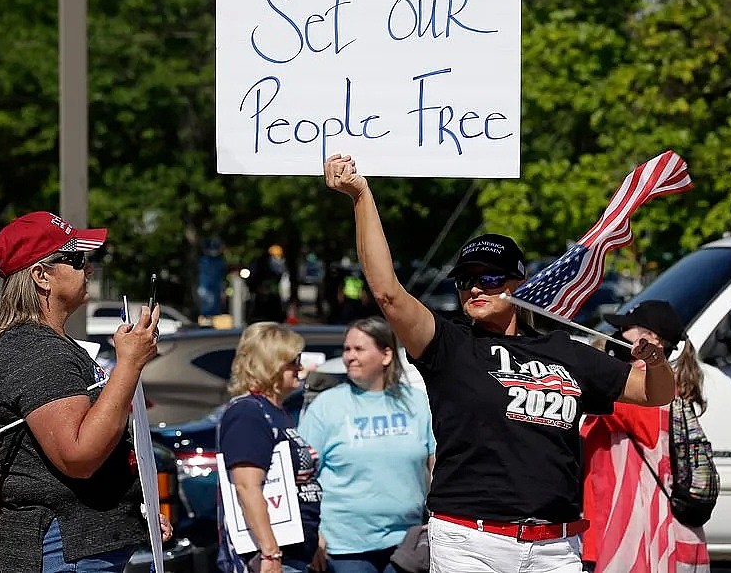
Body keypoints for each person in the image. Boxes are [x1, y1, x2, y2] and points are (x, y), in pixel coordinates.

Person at [324, 154, 676, 573]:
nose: (475, 287)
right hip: (469, 541)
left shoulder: (564, 350)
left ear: (518, 285)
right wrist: (362, 196)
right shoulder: (449, 346)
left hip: (555, 546)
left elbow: (656, 394)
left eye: (490, 278)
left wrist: (656, 364)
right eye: (466, 280)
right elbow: (388, 293)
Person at [0, 211, 171, 572]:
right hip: (60, 549)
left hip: (75, 546)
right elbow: (79, 456)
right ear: (41, 276)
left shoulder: (53, 346)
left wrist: (128, 514)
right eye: (77, 259)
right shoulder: (35, 350)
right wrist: (129, 364)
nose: (89, 270)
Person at [580, 300, 710, 572]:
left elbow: (592, 387)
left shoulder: (644, 391)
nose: (617, 335)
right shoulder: (663, 388)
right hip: (623, 530)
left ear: (651, 339)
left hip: (627, 538)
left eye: (627, 328)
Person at [298, 317, 435, 573]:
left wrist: (441, 519)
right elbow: (302, 477)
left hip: (408, 542)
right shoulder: (326, 406)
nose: (350, 357)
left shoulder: (417, 403)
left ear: (386, 355)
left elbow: (438, 465)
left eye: (359, 349)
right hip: (344, 546)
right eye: (347, 349)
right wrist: (312, 533)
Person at [217, 322, 322, 573]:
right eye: (293, 360)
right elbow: (247, 486)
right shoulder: (248, 413)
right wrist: (270, 552)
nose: (300, 367)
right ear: (271, 364)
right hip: (272, 557)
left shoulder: (276, 412)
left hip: (295, 553)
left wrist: (315, 540)